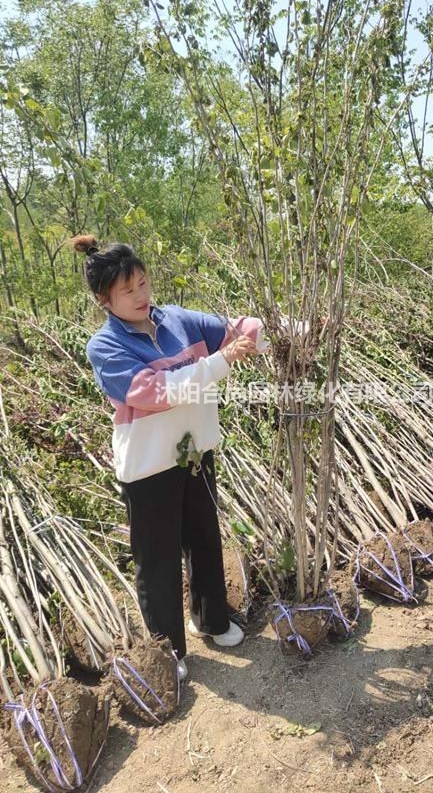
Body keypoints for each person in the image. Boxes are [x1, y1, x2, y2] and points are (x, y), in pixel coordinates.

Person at [72, 233, 268, 681]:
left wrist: (284, 327)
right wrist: (221, 362)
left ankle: (213, 620)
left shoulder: (177, 319)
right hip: (149, 466)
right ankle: (168, 651)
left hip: (195, 451)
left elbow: (237, 329)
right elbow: (156, 393)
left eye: (143, 282)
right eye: (128, 290)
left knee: (204, 537)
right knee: (157, 558)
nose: (141, 295)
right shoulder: (105, 347)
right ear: (104, 299)